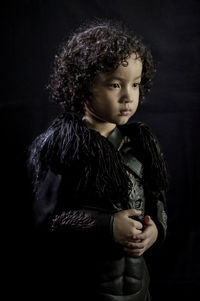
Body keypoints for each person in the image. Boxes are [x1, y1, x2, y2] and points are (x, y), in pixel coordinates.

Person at [28, 19, 168, 301]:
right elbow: (47, 221)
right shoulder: (63, 148)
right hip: (84, 288)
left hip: (139, 289)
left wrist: (156, 230)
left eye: (136, 84)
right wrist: (107, 225)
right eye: (115, 84)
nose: (129, 96)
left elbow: (156, 200)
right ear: (82, 87)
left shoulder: (141, 146)